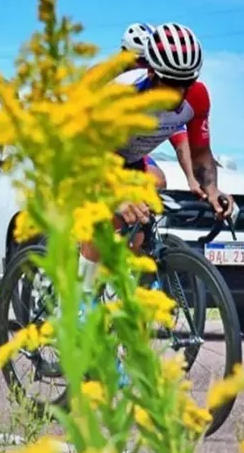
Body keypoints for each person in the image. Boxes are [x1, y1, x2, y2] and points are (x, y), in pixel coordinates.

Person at [79, 22, 235, 280]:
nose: (178, 94)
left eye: (186, 83)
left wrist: (212, 189)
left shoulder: (197, 97)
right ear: (151, 73)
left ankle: (112, 291)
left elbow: (200, 153)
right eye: (171, 83)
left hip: (127, 157)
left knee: (137, 233)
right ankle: (74, 305)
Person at [119, 23, 205, 197]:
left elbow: (180, 139)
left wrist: (192, 179)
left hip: (127, 157)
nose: (142, 67)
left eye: (147, 61)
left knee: (156, 180)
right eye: (139, 61)